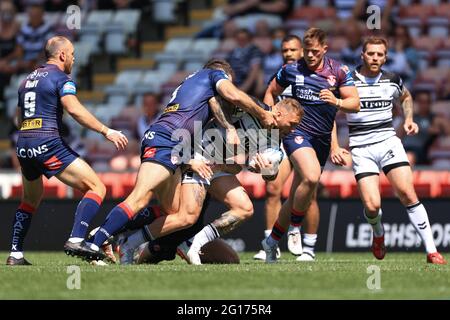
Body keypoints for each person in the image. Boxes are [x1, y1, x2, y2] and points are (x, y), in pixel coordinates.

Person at [70, 59, 277, 261]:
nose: (228, 94)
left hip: (173, 143)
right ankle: (97, 241)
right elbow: (233, 95)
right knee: (140, 198)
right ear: (223, 76)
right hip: (166, 140)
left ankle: (115, 235)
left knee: (176, 212)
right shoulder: (214, 75)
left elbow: (215, 111)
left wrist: (244, 160)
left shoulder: (199, 91)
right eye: (228, 83)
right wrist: (261, 115)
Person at [117, 96, 303, 265]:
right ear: (278, 114)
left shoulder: (275, 141)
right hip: (195, 157)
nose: (293, 130)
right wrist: (228, 127)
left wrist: (265, 168)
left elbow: (270, 174)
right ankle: (124, 239)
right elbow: (214, 100)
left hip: (216, 165)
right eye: (292, 124)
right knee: (184, 217)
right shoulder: (251, 108)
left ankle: (194, 245)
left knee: (244, 209)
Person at [6, 36, 128, 265]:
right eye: (72, 54)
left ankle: (15, 254)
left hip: (23, 144)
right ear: (62, 55)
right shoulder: (61, 78)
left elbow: (18, 117)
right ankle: (76, 239)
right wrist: (106, 131)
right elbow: (74, 109)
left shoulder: (27, 80)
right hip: (46, 142)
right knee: (96, 187)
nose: (73, 58)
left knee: (30, 199)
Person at [261, 28, 360, 263]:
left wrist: (336, 101)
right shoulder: (291, 69)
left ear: (325, 49)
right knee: (312, 177)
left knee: (296, 194)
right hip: (296, 133)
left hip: (322, 139)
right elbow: (270, 91)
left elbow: (354, 103)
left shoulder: (338, 71)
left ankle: (271, 241)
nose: (310, 56)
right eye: (307, 51)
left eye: (315, 51)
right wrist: (271, 117)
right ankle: (295, 227)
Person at [347, 37, 446, 264]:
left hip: (388, 143)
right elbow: (331, 112)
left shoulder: (392, 80)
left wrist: (408, 118)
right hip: (361, 148)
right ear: (362, 55)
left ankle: (432, 251)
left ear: (385, 57)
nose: (375, 58)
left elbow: (406, 96)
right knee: (372, 206)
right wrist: (334, 146)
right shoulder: (348, 81)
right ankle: (378, 233)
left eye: (380, 54)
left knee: (408, 194)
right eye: (371, 53)